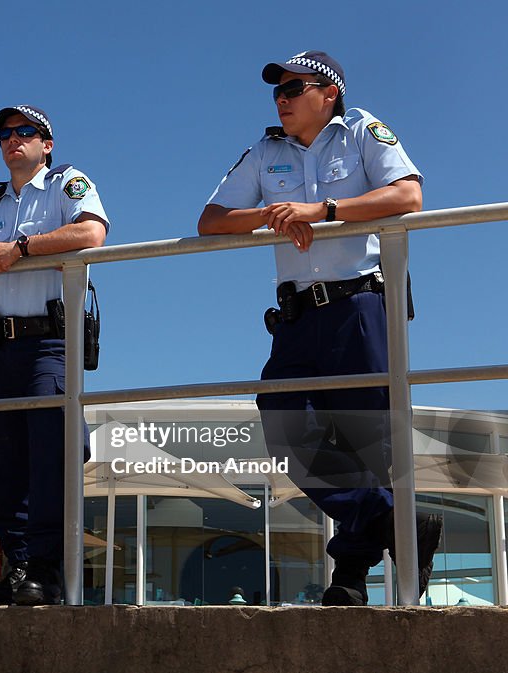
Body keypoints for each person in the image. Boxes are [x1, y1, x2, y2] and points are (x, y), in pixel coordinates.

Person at [198, 51, 442, 605]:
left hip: (359, 305)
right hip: (296, 316)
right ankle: (397, 524)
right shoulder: (265, 151)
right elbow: (211, 221)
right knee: (286, 429)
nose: (281, 99)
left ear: (328, 92)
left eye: (292, 89)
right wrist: (272, 213)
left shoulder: (361, 131)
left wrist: (323, 210)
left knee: (368, 441)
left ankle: (351, 578)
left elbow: (408, 195)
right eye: (276, 92)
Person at [0, 105, 109, 606]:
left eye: (25, 132)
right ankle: (17, 569)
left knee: (51, 457)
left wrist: (19, 247)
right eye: (5, 134)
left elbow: (91, 232)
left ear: (47, 143)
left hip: (48, 342)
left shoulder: (67, 183)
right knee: (4, 464)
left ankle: (47, 570)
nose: (12, 139)